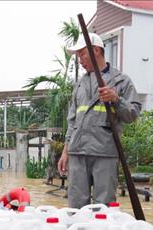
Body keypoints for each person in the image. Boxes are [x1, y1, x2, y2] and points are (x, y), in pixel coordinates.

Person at [57, 32, 141, 208]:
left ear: (95, 50)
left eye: (82, 54)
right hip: (77, 152)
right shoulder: (80, 84)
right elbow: (72, 121)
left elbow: (133, 114)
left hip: (105, 152)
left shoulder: (121, 81)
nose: (79, 60)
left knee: (103, 207)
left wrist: (116, 99)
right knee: (76, 206)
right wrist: (65, 152)